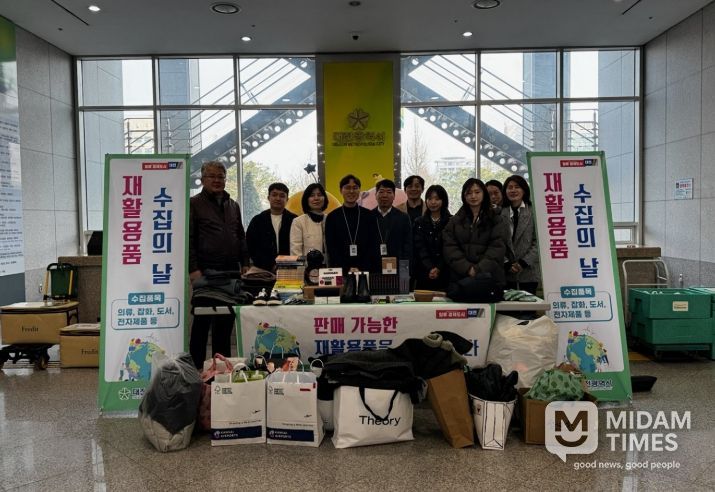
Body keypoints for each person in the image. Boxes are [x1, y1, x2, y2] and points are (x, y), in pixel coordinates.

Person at [188, 161, 250, 368]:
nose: (217, 180)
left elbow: (240, 236)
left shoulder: (233, 205)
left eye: (220, 177)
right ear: (202, 179)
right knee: (202, 321)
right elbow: (189, 238)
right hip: (205, 272)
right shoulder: (193, 204)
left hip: (231, 271)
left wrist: (245, 262)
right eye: (212, 176)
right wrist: (193, 269)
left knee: (225, 321)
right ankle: (196, 368)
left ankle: (221, 369)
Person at [442, 178, 509, 293]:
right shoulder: (455, 220)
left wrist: (478, 269)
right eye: (469, 193)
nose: (473, 196)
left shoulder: (496, 219)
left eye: (477, 192)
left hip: (489, 278)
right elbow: (449, 247)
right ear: (464, 196)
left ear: (484, 194)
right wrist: (467, 268)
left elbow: (497, 248)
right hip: (460, 278)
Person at [325, 174, 379, 273]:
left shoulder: (369, 215)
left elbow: (373, 245)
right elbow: (332, 248)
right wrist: (346, 269)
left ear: (359, 190)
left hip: (365, 271)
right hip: (340, 272)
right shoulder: (332, 217)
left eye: (355, 188)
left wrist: (361, 268)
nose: (351, 191)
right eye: (347, 188)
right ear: (341, 190)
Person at [501, 175, 541, 294]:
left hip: (528, 271)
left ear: (524, 190)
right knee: (507, 304)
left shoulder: (534, 211)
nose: (513, 190)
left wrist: (523, 263)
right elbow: (495, 242)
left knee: (528, 304)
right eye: (510, 187)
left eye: (517, 187)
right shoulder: (499, 212)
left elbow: (539, 241)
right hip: (505, 271)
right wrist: (506, 263)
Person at [246, 182, 297, 272]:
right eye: (274, 195)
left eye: (282, 196)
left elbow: (297, 247)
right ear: (268, 198)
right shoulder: (257, 220)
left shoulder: (295, 220)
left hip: (290, 268)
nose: (278, 198)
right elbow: (251, 246)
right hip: (262, 269)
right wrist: (269, 265)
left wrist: (283, 264)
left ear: (287, 199)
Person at [412, 184, 451, 291]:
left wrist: (438, 268)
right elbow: (419, 247)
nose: (433, 202)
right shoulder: (419, 222)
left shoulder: (451, 221)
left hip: (445, 272)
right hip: (424, 272)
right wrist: (430, 268)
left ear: (443, 200)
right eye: (429, 199)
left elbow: (450, 248)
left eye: (437, 199)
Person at [372, 179, 412, 262]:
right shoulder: (368, 216)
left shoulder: (403, 218)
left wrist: (404, 268)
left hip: (397, 264)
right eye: (381, 192)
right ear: (375, 195)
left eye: (389, 192)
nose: (385, 195)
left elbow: (407, 246)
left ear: (394, 196)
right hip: (373, 265)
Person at [290, 182, 328, 257]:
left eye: (319, 195)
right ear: (306, 199)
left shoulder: (331, 219)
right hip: (307, 264)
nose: (316, 198)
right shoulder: (298, 222)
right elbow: (295, 251)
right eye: (312, 195)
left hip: (330, 264)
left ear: (324, 198)